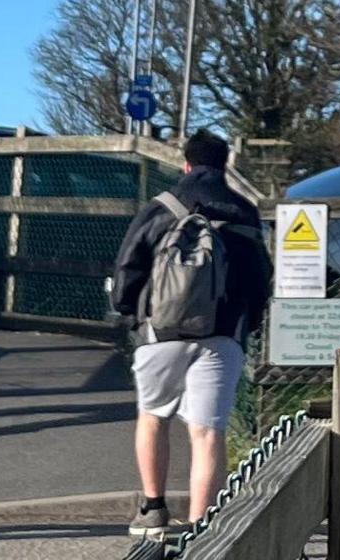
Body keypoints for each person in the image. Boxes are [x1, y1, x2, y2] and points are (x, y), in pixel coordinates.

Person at [108, 128, 269, 542]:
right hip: (222, 333)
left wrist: (130, 315)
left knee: (152, 417)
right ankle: (201, 528)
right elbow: (259, 278)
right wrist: (245, 324)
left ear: (185, 163)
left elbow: (128, 266)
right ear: (225, 163)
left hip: (160, 331)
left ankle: (153, 509)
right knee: (207, 430)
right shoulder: (243, 211)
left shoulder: (160, 207)